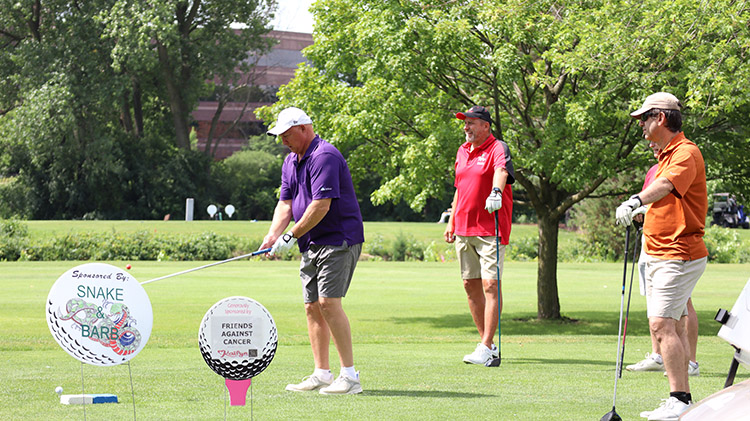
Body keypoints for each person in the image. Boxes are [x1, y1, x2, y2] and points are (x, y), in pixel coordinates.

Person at [260, 107, 365, 395]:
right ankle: (322, 373)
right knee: (312, 306)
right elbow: (286, 203)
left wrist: (291, 235)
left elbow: (321, 205)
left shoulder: (325, 155)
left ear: (304, 128)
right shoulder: (290, 161)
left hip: (338, 238)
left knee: (329, 303)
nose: (282, 140)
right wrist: (272, 235)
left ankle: (350, 376)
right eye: (279, 135)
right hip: (312, 241)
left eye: (286, 134)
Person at [615, 92, 707, 420]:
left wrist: (634, 201)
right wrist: (643, 212)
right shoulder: (664, 156)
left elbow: (667, 186)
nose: (641, 125)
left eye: (645, 119)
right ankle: (679, 396)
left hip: (678, 252)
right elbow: (665, 198)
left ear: (662, 119)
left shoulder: (685, 152)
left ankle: (680, 398)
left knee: (660, 324)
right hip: (658, 251)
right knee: (671, 324)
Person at [444, 105, 515, 365]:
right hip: (463, 227)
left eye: (471, 123)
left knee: (490, 285)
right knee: (470, 285)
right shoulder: (462, 151)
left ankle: (485, 345)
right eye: (465, 123)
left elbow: (502, 172)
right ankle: (488, 345)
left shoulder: (498, 148)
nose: (466, 127)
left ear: (486, 125)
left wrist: (496, 192)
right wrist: (451, 220)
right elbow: (459, 188)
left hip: (490, 229)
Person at [627, 147, 700, 378]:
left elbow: (676, 204)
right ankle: (658, 356)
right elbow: (651, 205)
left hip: (674, 247)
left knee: (682, 306)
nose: (653, 145)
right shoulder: (653, 171)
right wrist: (639, 212)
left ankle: (690, 363)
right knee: (655, 304)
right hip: (651, 243)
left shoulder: (682, 161)